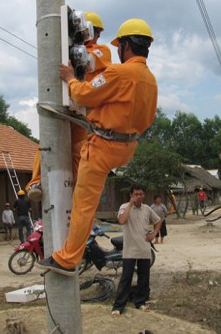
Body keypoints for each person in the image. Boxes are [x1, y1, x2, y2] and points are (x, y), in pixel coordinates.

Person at [38, 18, 158, 275]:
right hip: (127, 147)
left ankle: (67, 260)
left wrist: (70, 79)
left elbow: (82, 94)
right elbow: (146, 119)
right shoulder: (150, 79)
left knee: (83, 205)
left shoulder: (118, 72)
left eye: (119, 45)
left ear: (125, 45)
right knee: (76, 165)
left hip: (104, 147)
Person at [25, 12, 112, 202]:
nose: (94, 36)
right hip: (65, 104)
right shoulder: (68, 47)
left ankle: (76, 193)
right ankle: (35, 183)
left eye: (94, 33)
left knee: (78, 151)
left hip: (83, 112)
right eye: (92, 32)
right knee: (48, 142)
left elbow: (88, 63)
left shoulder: (101, 51)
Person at [111, 184, 162, 316]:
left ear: (144, 195)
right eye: (135, 194)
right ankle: (118, 306)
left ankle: (140, 302)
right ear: (131, 195)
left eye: (141, 194)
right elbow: (122, 220)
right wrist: (130, 204)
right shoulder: (124, 207)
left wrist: (154, 234)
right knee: (126, 278)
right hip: (129, 251)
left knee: (144, 278)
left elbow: (159, 220)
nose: (138, 197)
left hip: (144, 249)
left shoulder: (146, 209)